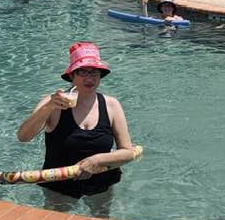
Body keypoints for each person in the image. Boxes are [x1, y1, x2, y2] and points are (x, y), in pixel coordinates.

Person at [16, 42, 136, 208]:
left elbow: (128, 153)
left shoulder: (111, 105)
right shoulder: (52, 104)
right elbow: (23, 137)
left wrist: (98, 160)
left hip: (102, 181)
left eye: (95, 72)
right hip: (59, 184)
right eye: (83, 72)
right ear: (72, 75)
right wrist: (48, 107)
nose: (90, 78)